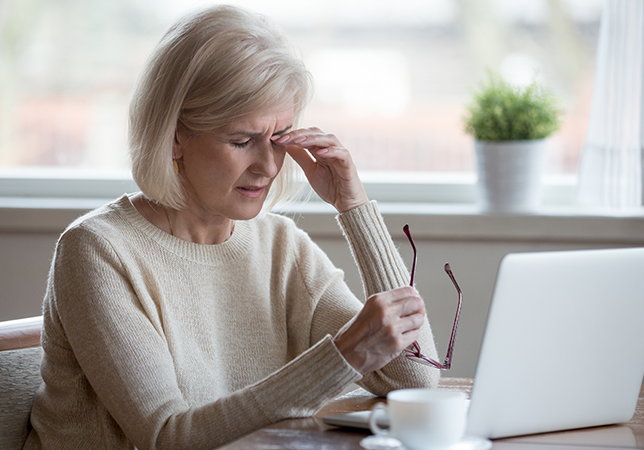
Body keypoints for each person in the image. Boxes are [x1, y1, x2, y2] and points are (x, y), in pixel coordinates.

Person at [24, 5, 439, 450]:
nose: (267, 166)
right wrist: (342, 357)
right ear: (175, 136)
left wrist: (354, 207)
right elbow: (167, 437)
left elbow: (415, 379)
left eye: (280, 139)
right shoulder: (97, 251)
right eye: (242, 141)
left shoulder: (280, 246)